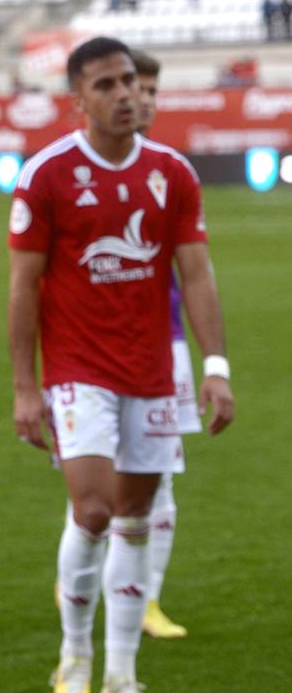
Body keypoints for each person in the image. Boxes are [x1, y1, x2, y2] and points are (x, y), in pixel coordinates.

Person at [10, 37, 234, 693]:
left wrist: (215, 368)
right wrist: (26, 386)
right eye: (106, 84)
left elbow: (195, 274)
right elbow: (24, 284)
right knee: (95, 510)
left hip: (154, 371)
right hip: (79, 370)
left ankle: (121, 678)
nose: (126, 94)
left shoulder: (172, 171)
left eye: (131, 81)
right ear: (79, 100)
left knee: (136, 520)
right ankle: (73, 661)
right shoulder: (47, 174)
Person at [128, 50, 197, 639]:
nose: (141, 99)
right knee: (99, 483)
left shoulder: (170, 171)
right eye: (134, 87)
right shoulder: (73, 170)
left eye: (151, 89)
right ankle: (86, 576)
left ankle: (148, 598)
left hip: (164, 344)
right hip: (95, 355)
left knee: (163, 475)